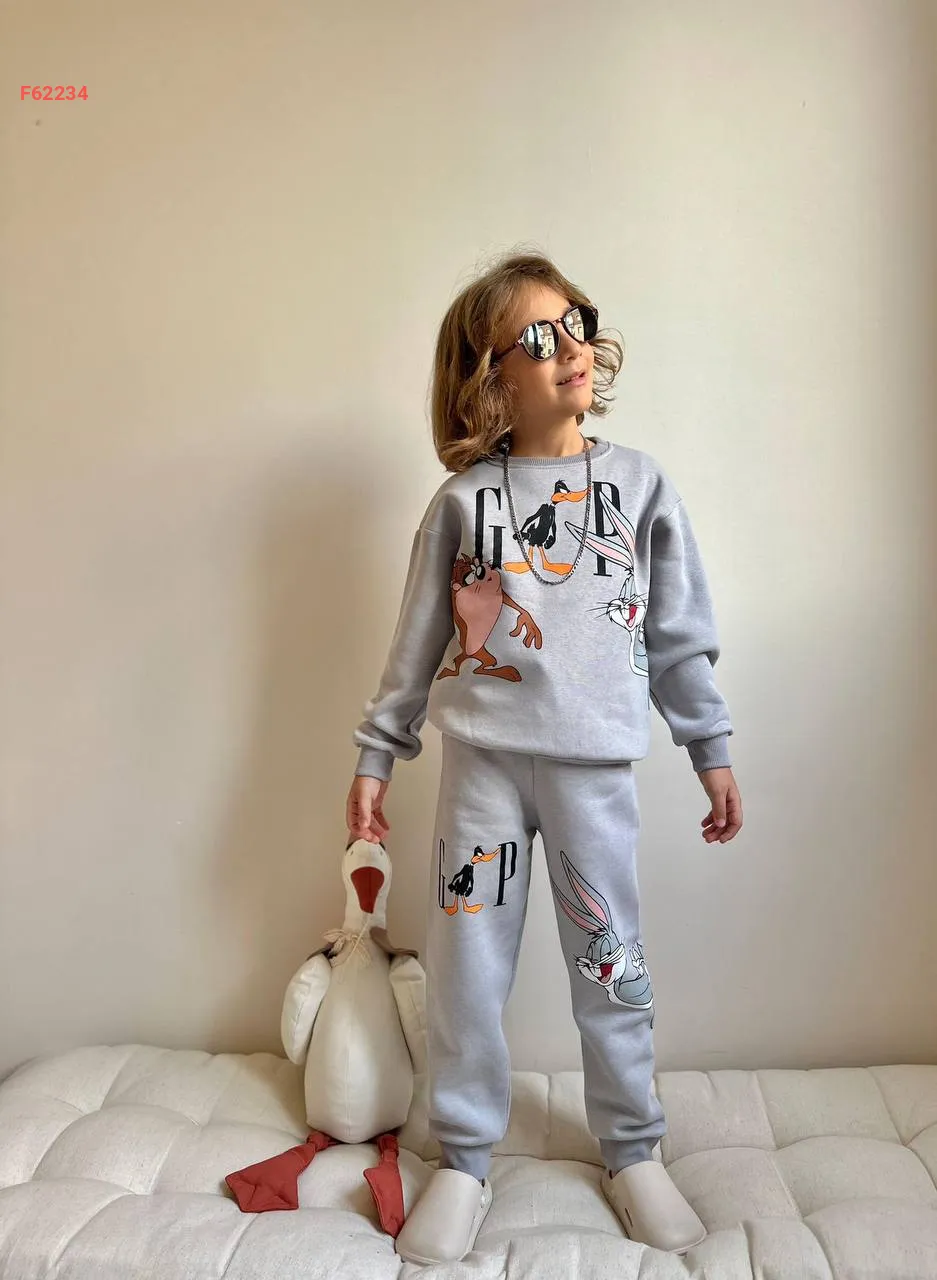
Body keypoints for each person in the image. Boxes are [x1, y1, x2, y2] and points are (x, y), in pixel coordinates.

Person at [345, 251, 743, 1264]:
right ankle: (464, 1158)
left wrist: (708, 743)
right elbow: (414, 644)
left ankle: (632, 1149)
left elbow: (678, 635)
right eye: (535, 336)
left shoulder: (641, 485)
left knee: (611, 960)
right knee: (466, 969)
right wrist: (376, 757)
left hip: (592, 769)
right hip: (480, 766)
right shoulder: (462, 503)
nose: (568, 346)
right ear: (490, 377)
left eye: (576, 322)